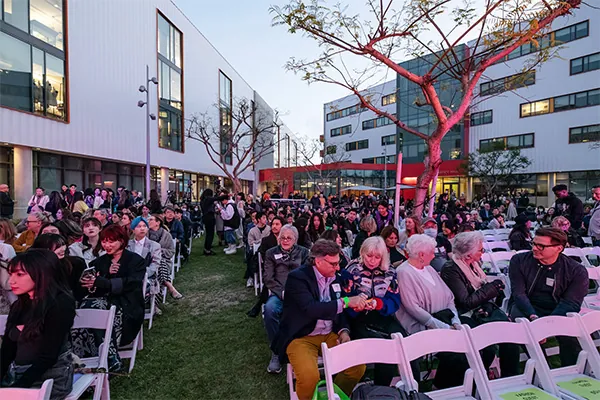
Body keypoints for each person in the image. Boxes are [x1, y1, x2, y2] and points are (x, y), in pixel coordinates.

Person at [273, 239, 366, 400]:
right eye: (333, 263)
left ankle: (334, 395)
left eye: (338, 263)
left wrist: (344, 331)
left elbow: (339, 311)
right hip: (301, 336)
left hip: (329, 332)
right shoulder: (297, 278)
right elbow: (310, 309)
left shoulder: (335, 277)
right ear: (318, 261)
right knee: (310, 377)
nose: (338, 267)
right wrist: (346, 302)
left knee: (357, 367)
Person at [441, 232, 520, 378]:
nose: (483, 252)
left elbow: (481, 291)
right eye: (480, 250)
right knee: (487, 346)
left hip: (485, 310)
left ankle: (510, 379)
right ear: (468, 255)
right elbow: (466, 302)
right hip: (465, 315)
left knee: (511, 339)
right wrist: (492, 288)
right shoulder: (451, 269)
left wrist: (492, 291)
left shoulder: (474, 265)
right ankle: (478, 380)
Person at [0, 250, 76, 399]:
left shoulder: (60, 304)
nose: (11, 281)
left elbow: (49, 356)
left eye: (20, 274)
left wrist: (17, 390)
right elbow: (7, 349)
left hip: (50, 376)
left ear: (41, 274)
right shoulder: (19, 305)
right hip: (18, 372)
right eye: (11, 274)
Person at [508, 227, 588, 367]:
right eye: (533, 243)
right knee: (525, 327)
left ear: (559, 248)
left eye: (541, 246)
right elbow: (519, 294)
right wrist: (533, 316)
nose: (535, 248)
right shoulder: (519, 261)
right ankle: (543, 369)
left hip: (558, 308)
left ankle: (572, 373)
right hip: (527, 306)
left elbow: (571, 303)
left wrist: (547, 326)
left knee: (570, 334)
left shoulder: (575, 270)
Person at [395, 234, 463, 389]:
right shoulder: (404, 272)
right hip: (421, 328)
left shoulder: (429, 268)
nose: (435, 255)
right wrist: (445, 328)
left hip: (444, 322)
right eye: (432, 252)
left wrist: (455, 320)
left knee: (465, 349)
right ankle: (440, 388)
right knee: (456, 355)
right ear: (421, 255)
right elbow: (413, 308)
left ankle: (450, 388)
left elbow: (449, 297)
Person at [341, 236, 405, 386]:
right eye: (369, 256)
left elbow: (395, 300)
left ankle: (382, 388)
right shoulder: (351, 270)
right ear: (363, 253)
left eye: (377, 257)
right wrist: (356, 305)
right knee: (383, 347)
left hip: (382, 315)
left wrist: (379, 303)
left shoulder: (389, 271)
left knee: (402, 340)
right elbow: (344, 298)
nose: (372, 260)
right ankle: (373, 388)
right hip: (357, 318)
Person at [263, 225, 310, 374]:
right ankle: (277, 351)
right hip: (279, 294)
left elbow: (308, 275)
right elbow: (268, 279)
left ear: (295, 239)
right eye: (282, 237)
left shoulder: (303, 252)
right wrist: (281, 292)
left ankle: (301, 347)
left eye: (289, 238)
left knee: (309, 310)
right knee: (269, 310)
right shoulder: (271, 253)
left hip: (299, 294)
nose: (285, 240)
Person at [31, 233, 86, 300]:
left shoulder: (76, 263)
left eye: (63, 245)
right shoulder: (35, 267)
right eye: (57, 247)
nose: (62, 249)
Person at [127, 216, 162, 313]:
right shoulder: (127, 245)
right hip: (130, 275)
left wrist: (142, 274)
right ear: (133, 230)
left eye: (144, 226)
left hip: (147, 276)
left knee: (140, 284)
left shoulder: (154, 245)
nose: (142, 228)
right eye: (138, 226)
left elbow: (155, 264)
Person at [147, 214, 183, 299]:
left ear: (157, 223)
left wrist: (159, 251)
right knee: (156, 266)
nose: (148, 221)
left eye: (151, 220)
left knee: (159, 263)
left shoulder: (166, 235)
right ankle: (171, 287)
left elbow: (171, 251)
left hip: (163, 261)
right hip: (147, 261)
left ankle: (154, 304)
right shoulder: (145, 234)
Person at [200, 189, 217, 255]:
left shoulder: (202, 201)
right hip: (210, 218)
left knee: (208, 234)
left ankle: (206, 247)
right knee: (210, 234)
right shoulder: (208, 201)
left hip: (205, 218)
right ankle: (208, 249)